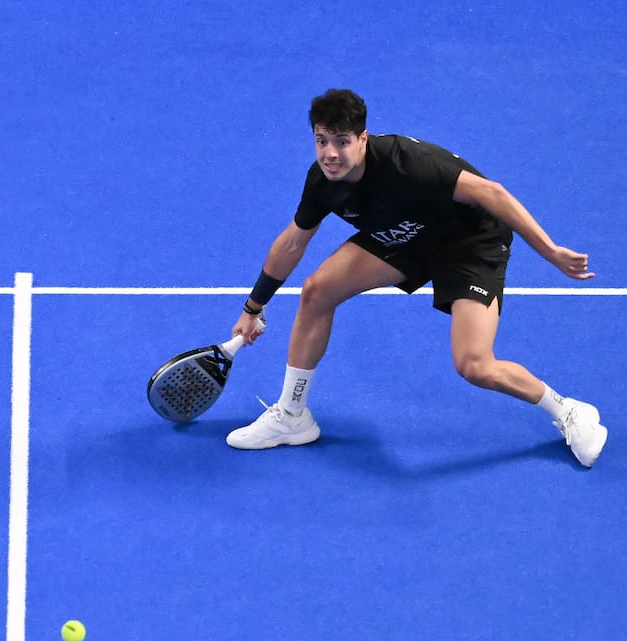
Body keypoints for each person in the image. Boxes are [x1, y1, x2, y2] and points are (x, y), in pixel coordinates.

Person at [225, 89, 607, 468]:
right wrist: (253, 307)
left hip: (470, 240)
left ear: (363, 139)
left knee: (474, 364)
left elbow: (493, 193)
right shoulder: (323, 182)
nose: (329, 153)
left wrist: (550, 251)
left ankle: (569, 410)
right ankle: (293, 416)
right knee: (317, 291)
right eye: (322, 141)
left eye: (341, 142)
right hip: (408, 235)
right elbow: (292, 243)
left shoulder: (407, 163)